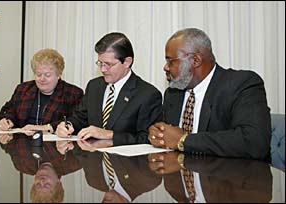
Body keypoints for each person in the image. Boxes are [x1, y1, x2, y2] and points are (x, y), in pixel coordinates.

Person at [149, 28, 271, 160]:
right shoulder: (173, 93)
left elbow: (254, 142)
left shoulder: (241, 84)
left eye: (170, 61)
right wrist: (158, 134)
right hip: (181, 173)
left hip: (231, 176)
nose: (165, 68)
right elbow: (169, 138)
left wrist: (184, 140)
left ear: (195, 60)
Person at [56, 32, 162, 145]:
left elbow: (147, 138)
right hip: (93, 159)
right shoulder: (94, 86)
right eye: (100, 63)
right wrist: (68, 125)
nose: (103, 69)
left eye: (108, 64)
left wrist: (109, 134)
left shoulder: (147, 94)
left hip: (126, 162)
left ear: (127, 62)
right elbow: (80, 118)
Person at [0, 48, 84, 133]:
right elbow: (9, 110)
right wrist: (7, 120)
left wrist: (47, 127)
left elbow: (76, 121)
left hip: (55, 145)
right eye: (38, 74)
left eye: (47, 75)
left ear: (59, 74)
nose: (42, 79)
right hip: (23, 143)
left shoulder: (73, 93)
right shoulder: (23, 89)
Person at [148, 151, 272, 203]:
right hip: (180, 168)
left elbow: (253, 143)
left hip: (236, 176)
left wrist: (184, 139)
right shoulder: (174, 190)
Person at [0, 133, 82, 203]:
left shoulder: (22, 164)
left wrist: (4, 135)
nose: (41, 181)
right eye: (47, 185)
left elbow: (7, 145)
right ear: (59, 184)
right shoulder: (73, 162)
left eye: (38, 185)